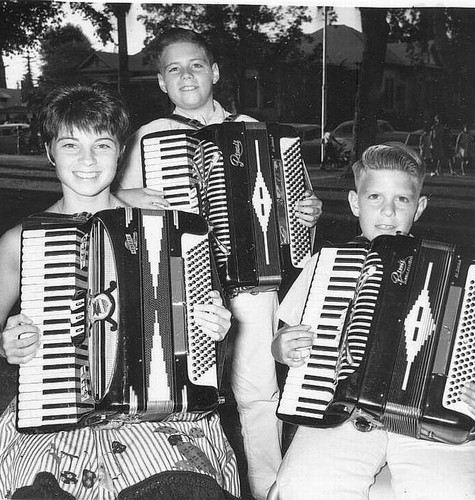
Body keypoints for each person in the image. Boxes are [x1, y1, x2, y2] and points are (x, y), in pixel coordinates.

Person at [0, 84, 241, 500]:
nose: (87, 161)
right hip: (58, 407)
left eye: (101, 145)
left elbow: (199, 339)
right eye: (71, 145)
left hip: (159, 416)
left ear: (120, 151)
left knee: (186, 490)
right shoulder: (21, 240)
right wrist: (2, 342)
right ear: (50, 152)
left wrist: (214, 325)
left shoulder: (168, 231)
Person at [115, 27, 323, 500]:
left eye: (195, 65)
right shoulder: (148, 140)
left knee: (257, 396)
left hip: (252, 285)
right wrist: (126, 194)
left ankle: (270, 489)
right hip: (182, 289)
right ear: (163, 85)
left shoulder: (255, 130)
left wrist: (307, 210)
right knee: (186, 397)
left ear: (215, 72)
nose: (185, 74)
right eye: (173, 68)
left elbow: (293, 210)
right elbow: (109, 202)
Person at [271, 143, 475, 500]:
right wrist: (284, 347)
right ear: (354, 202)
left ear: (420, 206)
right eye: (374, 197)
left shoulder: (453, 274)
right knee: (305, 488)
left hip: (426, 420)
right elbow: (282, 339)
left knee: (451, 491)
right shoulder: (329, 265)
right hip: (343, 412)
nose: (387, 210)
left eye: (402, 200)